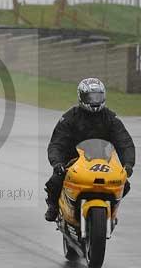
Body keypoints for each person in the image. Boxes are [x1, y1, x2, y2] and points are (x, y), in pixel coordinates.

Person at [44, 77, 136, 222]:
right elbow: (57, 143)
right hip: (74, 161)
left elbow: (124, 141)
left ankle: (111, 211)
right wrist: (57, 163)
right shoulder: (70, 118)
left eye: (97, 97)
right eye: (90, 97)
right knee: (55, 181)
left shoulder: (110, 118)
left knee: (125, 184)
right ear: (81, 97)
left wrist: (128, 163)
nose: (94, 101)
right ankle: (54, 206)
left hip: (104, 161)